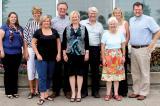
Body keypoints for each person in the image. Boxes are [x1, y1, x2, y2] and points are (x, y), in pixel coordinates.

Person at [128, 2, 160, 100]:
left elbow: (158, 31)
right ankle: (136, 91)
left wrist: (152, 43)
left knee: (144, 72)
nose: (137, 11)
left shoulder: (148, 19)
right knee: (135, 72)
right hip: (133, 49)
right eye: (136, 9)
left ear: (142, 10)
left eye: (139, 9)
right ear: (133, 10)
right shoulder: (131, 20)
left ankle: (143, 92)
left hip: (144, 49)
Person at [32, 15, 61, 105]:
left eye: (48, 21)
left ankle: (46, 94)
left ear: (50, 22)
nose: (46, 22)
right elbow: (33, 43)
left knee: (49, 76)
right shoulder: (38, 32)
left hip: (52, 58)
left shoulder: (54, 31)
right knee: (42, 77)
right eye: (45, 21)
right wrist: (37, 54)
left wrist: (59, 53)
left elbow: (58, 43)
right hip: (41, 58)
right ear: (42, 22)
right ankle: (41, 97)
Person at [62, 11, 89, 102]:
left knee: (80, 74)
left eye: (76, 17)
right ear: (70, 18)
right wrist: (64, 53)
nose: (74, 18)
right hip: (70, 54)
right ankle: (73, 92)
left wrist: (87, 53)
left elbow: (87, 42)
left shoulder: (84, 28)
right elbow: (64, 42)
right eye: (73, 17)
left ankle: (79, 93)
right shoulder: (67, 28)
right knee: (71, 74)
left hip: (81, 54)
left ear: (79, 18)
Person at [0, 12, 26, 99]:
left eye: (15, 17)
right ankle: (8, 92)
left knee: (15, 72)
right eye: (12, 17)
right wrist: (1, 51)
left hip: (17, 53)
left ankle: (14, 91)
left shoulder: (20, 28)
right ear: (9, 18)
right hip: (7, 53)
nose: (13, 18)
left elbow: (23, 41)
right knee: (8, 72)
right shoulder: (4, 27)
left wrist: (24, 51)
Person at [80, 7, 104, 98]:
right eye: (91, 13)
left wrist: (102, 53)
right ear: (88, 14)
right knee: (84, 71)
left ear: (96, 14)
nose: (92, 14)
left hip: (95, 49)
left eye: (94, 13)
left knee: (95, 71)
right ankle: (84, 92)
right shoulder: (82, 23)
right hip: (84, 49)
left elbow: (102, 41)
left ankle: (95, 91)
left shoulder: (100, 25)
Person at [101, 17, 125, 101]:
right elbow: (103, 47)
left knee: (117, 77)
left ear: (117, 24)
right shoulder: (105, 34)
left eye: (114, 24)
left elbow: (123, 45)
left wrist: (123, 56)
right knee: (108, 77)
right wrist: (103, 58)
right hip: (108, 57)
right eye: (111, 24)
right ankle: (108, 94)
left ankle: (116, 94)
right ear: (108, 25)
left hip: (118, 56)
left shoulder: (120, 33)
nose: (112, 25)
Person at [51, 1, 71, 98]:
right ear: (57, 9)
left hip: (68, 47)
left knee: (68, 69)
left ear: (66, 9)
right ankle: (56, 90)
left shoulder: (70, 19)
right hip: (56, 48)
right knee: (56, 70)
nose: (62, 10)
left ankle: (67, 90)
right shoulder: (53, 21)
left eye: (64, 9)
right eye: (60, 8)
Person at [24, 6, 42, 99]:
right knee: (30, 69)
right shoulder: (29, 24)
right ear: (33, 14)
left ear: (40, 13)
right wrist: (25, 51)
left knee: (39, 70)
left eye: (38, 13)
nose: (37, 14)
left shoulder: (43, 24)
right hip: (31, 49)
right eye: (35, 13)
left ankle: (37, 90)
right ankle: (31, 90)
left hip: (40, 50)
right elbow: (25, 39)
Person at [112, 7, 130, 97]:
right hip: (113, 51)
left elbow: (128, 36)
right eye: (115, 13)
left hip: (122, 50)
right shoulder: (112, 23)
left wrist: (123, 47)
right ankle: (115, 91)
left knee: (122, 70)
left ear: (121, 14)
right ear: (113, 14)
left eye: (119, 13)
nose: (117, 14)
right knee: (114, 70)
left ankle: (123, 91)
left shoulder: (125, 23)